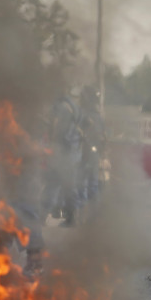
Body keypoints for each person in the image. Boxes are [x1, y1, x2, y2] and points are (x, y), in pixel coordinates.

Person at [40, 86, 83, 227]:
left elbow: (57, 130)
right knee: (69, 187)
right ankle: (72, 218)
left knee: (52, 184)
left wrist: (51, 147)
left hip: (61, 153)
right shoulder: (73, 106)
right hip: (72, 154)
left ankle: (40, 216)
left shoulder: (61, 107)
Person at [79, 86, 107, 215]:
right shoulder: (95, 116)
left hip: (86, 152)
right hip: (91, 152)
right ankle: (91, 213)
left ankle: (86, 213)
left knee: (85, 182)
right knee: (91, 183)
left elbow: (100, 135)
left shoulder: (85, 115)